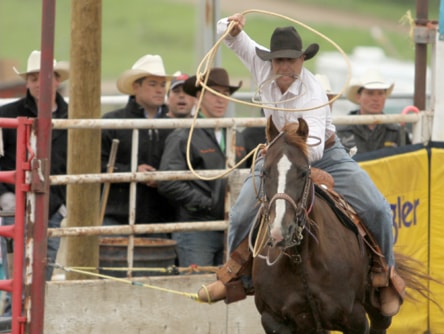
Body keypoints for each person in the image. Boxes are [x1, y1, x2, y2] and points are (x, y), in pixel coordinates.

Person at [197, 15, 405, 317]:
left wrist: (287, 152)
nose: (284, 67)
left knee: (377, 209)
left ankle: (386, 276)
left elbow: (317, 145)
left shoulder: (313, 92)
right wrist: (233, 24)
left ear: (302, 61)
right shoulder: (260, 65)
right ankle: (235, 276)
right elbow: (226, 34)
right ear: (271, 60)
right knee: (242, 210)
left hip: (326, 155)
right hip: (277, 151)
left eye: (291, 60)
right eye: (279, 60)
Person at [0, 50, 69, 284]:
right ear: (27, 83)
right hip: (15, 206)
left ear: (57, 80)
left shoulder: (71, 116)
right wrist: (2, 195)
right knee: (16, 277)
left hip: (52, 206)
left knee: (43, 278)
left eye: (45, 77)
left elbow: (80, 161)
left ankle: (23, 320)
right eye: (34, 78)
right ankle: (13, 318)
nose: (40, 83)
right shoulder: (6, 114)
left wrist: (64, 201)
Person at [158, 68, 246, 268]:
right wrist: (207, 203)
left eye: (225, 94)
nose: (221, 100)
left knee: (227, 287)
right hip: (196, 227)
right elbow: (168, 181)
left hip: (230, 226)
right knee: (199, 286)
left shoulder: (234, 134)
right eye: (214, 93)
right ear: (199, 96)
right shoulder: (184, 135)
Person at [100, 54, 175, 234]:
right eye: (152, 84)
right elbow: (97, 165)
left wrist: (163, 178)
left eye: (162, 85)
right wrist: (132, 172)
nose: (159, 90)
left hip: (161, 216)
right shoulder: (111, 123)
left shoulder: (174, 126)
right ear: (136, 87)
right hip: (116, 214)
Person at [337, 69, 411, 155]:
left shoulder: (397, 132)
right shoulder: (341, 131)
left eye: (380, 93)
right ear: (358, 97)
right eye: (370, 93)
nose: (376, 99)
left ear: (385, 97)